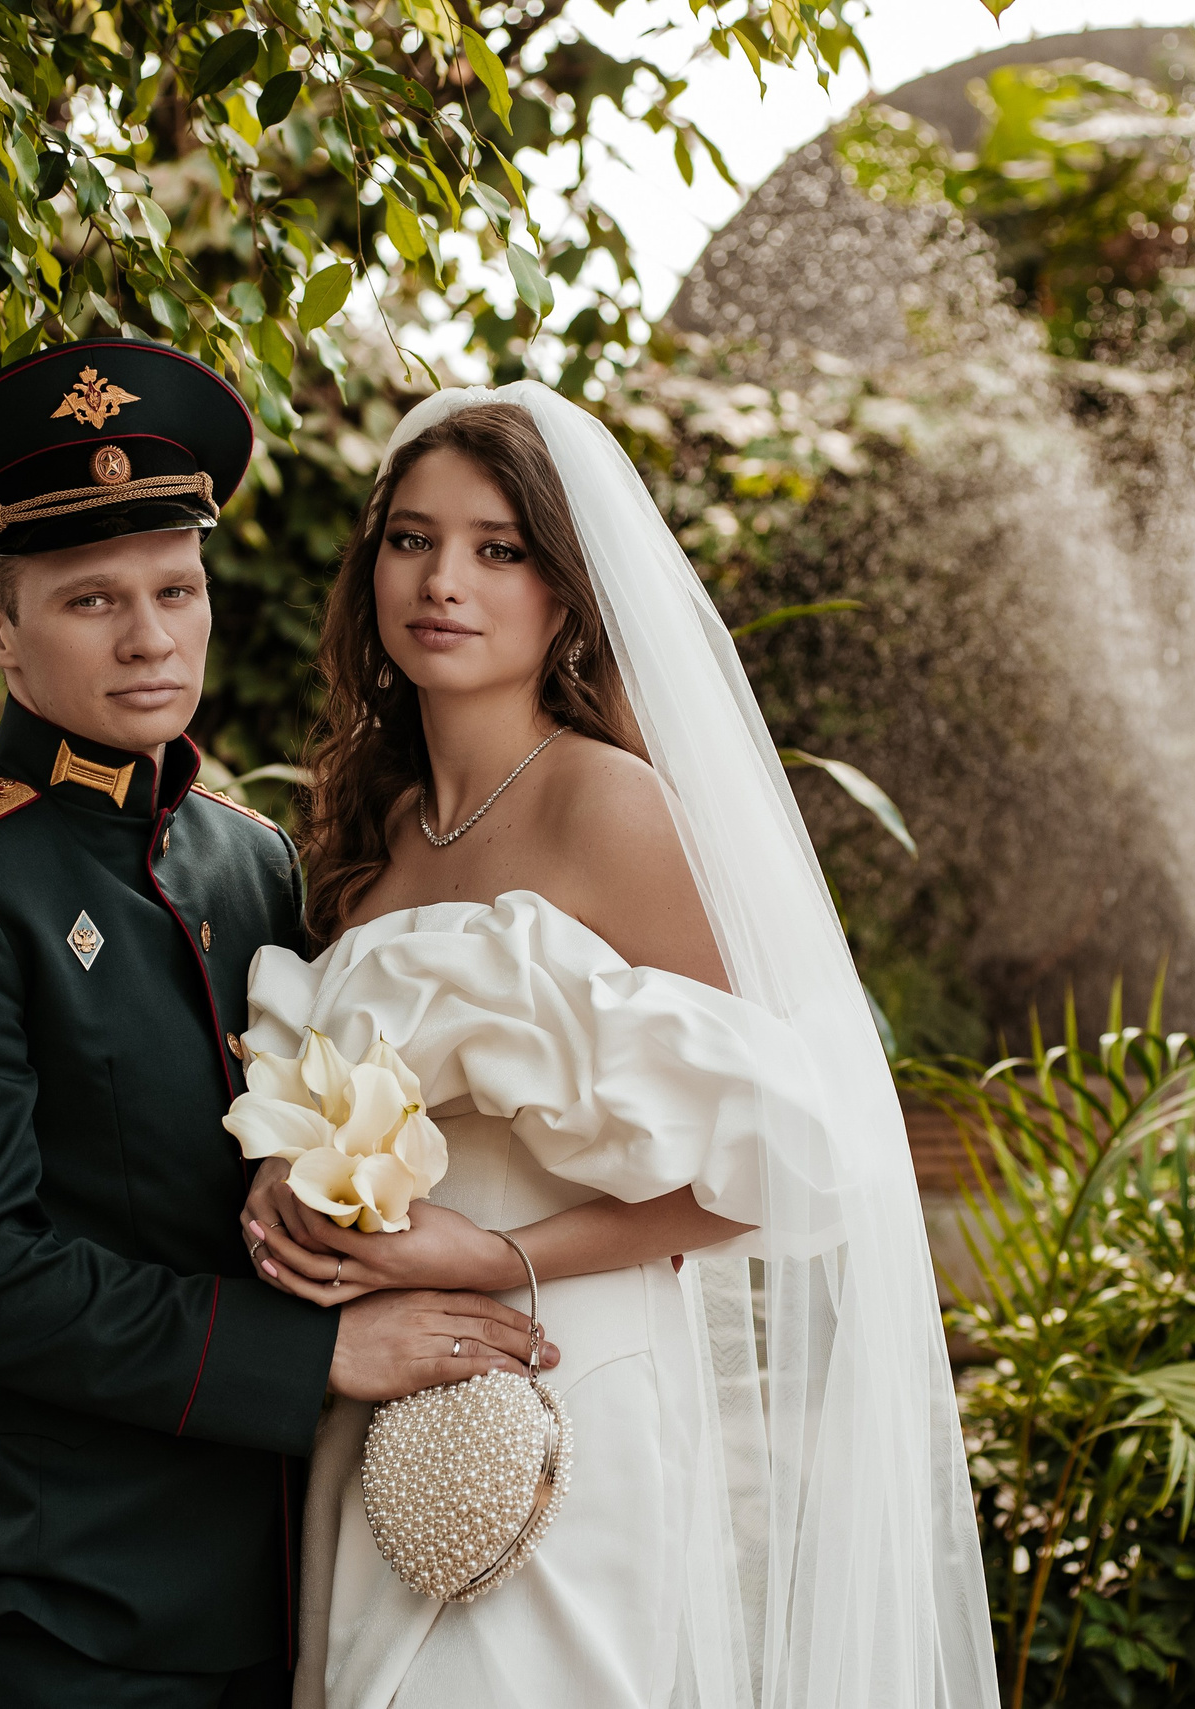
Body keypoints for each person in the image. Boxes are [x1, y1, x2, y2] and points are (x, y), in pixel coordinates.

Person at [0, 337, 552, 1709]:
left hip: (297, 1591)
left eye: (176, 588)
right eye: (91, 599)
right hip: (71, 1610)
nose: (150, 637)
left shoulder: (248, 859)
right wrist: (319, 1355)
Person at [237, 387, 999, 1709]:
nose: (443, 580)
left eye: (498, 548)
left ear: (566, 594)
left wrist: (502, 1256)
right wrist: (286, 1183)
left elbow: (786, 1158)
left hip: (562, 1383)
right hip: (387, 1385)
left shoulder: (611, 805)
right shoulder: (376, 827)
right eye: (411, 540)